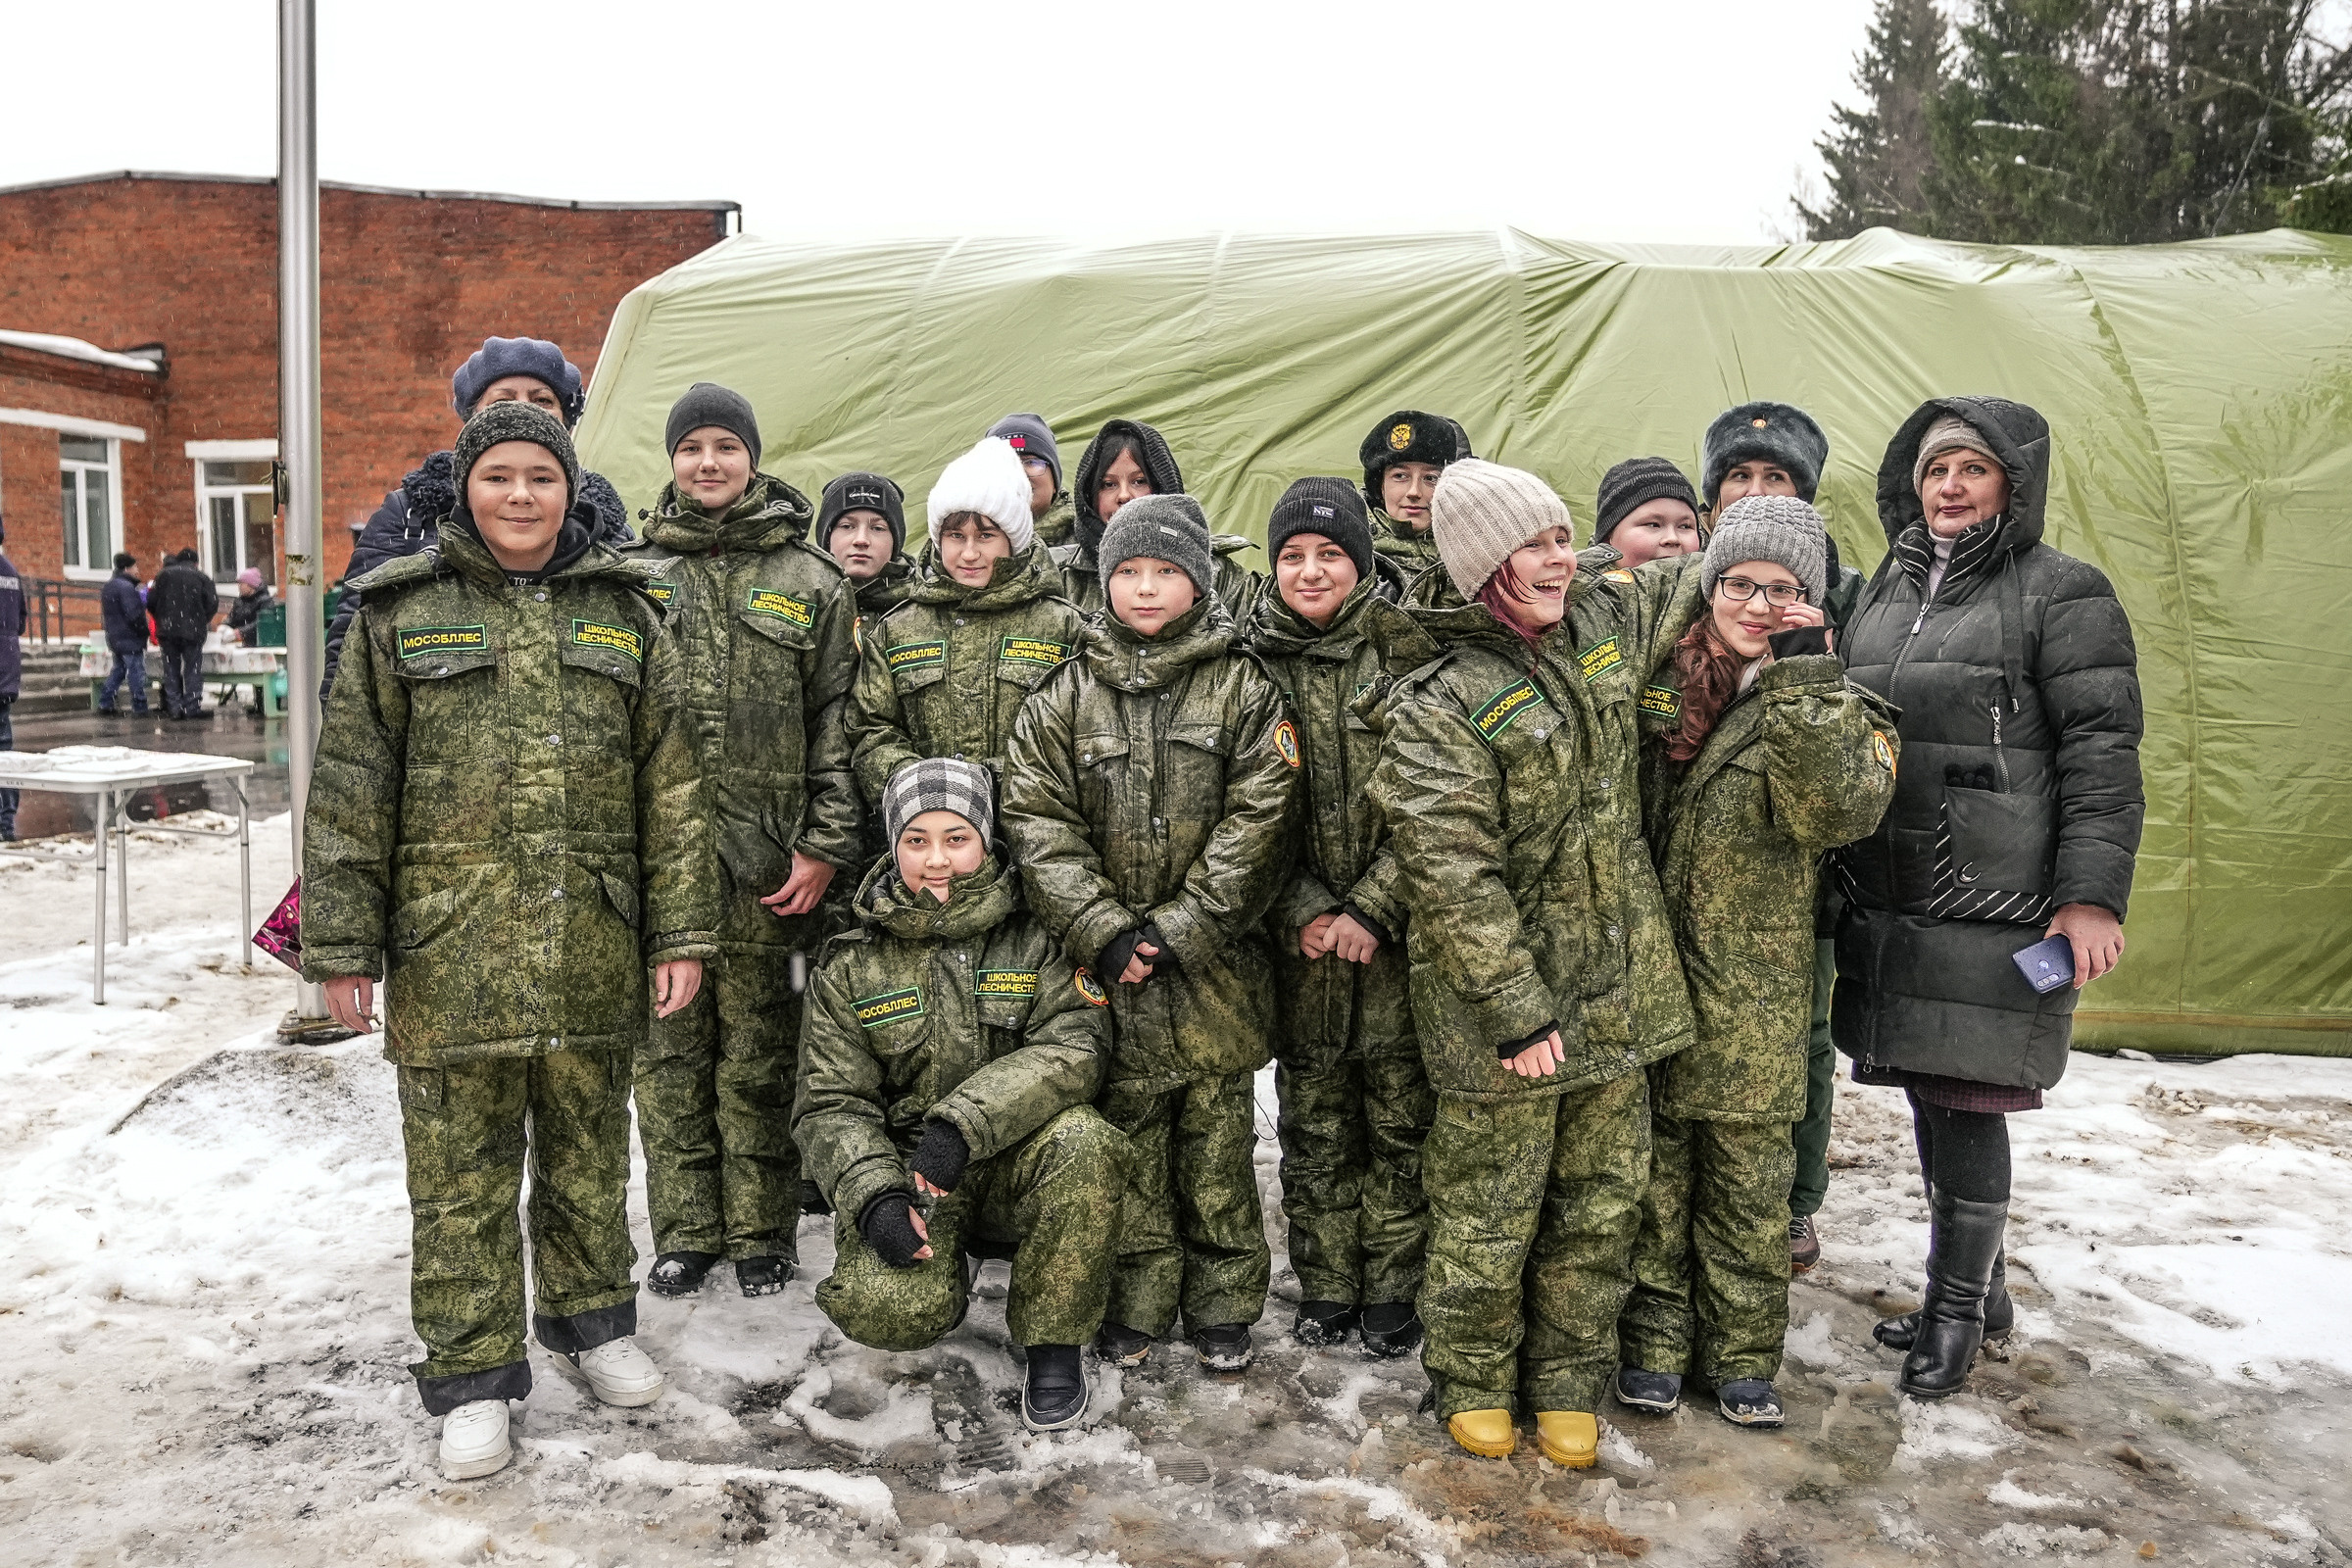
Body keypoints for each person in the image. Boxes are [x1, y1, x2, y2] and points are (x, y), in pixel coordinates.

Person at [301, 401, 717, 1481]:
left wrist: (680, 931)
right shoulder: (400, 612)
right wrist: (343, 945)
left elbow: (671, 789)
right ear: (466, 488)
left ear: (570, 488)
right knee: (459, 1181)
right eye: (499, 478)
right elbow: (350, 788)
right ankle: (474, 1375)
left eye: (542, 476)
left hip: (590, 937)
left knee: (587, 1153)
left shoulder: (627, 611)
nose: (521, 496)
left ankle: (592, 1322)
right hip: (452, 950)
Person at [1359, 460, 1692, 1467]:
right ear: (1479, 566)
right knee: (1488, 1211)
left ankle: (1564, 1379)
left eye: (1561, 538)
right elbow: (1455, 875)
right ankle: (1471, 1378)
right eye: (1533, 544)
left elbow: (1682, 571)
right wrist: (1516, 1010)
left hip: (1620, 991)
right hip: (1503, 1014)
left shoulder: (1600, 622)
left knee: (1600, 1205)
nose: (1557, 559)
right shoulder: (1434, 702)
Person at [1837, 397, 2143, 1399]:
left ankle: (1957, 1312)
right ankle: (1984, 1291)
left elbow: (2105, 758)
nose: (1951, 487)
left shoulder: (2064, 593)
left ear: (2014, 483)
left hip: (1997, 900)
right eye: (1935, 470)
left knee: (1969, 1100)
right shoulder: (1885, 587)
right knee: (1932, 1090)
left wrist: (2089, 897)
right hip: (1896, 888)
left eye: (1973, 468)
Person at [1612, 496, 1898, 1429]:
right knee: (1656, 1183)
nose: (1757, 604)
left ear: (1813, 601)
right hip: (1649, 973)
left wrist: (1806, 680)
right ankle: (1653, 1348)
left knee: (1745, 1188)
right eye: (1739, 583)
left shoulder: (1833, 703)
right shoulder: (1658, 677)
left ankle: (1740, 1357)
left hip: (1758, 994)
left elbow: (1833, 813)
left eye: (1783, 589)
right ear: (1710, 583)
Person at [1004, 494, 1298, 1374]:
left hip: (1212, 971)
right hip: (1105, 975)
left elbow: (1262, 818)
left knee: (1216, 1155)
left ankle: (1222, 1304)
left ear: (1198, 582)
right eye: (1128, 571)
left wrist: (1181, 927)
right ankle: (1136, 1302)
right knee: (1127, 1150)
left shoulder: (1244, 688)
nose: (1144, 588)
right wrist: (1100, 926)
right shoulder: (1063, 694)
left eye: (1166, 571)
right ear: (1103, 581)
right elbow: (1036, 817)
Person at [795, 759, 1131, 1431]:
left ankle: (1054, 1343)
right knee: (885, 1310)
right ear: (892, 848)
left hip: (1018, 1161)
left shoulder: (1038, 935)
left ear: (986, 841)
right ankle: (949, 1255)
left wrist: (961, 1128)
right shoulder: (851, 961)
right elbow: (832, 1101)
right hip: (916, 1178)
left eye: (957, 838)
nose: (938, 859)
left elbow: (1074, 1049)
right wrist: (875, 1197)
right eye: (917, 840)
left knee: (1086, 1143)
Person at [619, 382, 863, 1300]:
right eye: (692, 448)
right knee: (670, 1057)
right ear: (673, 461)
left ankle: (761, 1232)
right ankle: (686, 1231)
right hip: (663, 866)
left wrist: (824, 845)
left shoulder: (811, 583)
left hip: (774, 870)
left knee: (763, 1055)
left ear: (753, 457)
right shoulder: (633, 576)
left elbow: (840, 721)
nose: (709, 462)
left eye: (726, 445)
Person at [1246, 479, 1430, 1357]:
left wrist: (1375, 906)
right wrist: (1306, 910)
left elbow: (1436, 802)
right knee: (1313, 1121)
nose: (1310, 571)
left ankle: (1392, 1286)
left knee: (1398, 1117)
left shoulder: (1403, 656)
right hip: (1302, 945)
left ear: (1361, 562)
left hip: (1394, 941)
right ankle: (1326, 1282)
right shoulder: (1250, 665)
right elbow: (1240, 816)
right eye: (1291, 556)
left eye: (1329, 554)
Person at [1698, 399, 1853, 1274]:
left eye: (1776, 477)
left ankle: (1792, 1202)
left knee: (1801, 1045)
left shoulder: (1839, 596)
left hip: (1806, 880)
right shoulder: (1680, 600)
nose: (1754, 490)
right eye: (1738, 478)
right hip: (1695, 881)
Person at [321, 336, 632, 697]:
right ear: (470, 417)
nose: (523, 410)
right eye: (503, 399)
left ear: (566, 419)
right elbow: (353, 653)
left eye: (542, 400)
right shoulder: (410, 513)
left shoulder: (600, 523)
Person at [849, 437, 1082, 801]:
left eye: (986, 536)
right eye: (956, 536)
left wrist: (988, 784)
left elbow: (1077, 736)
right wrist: (930, 791)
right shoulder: (897, 630)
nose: (969, 553)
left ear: (1013, 540)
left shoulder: (1064, 627)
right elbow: (872, 729)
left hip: (1036, 827)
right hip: (925, 837)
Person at [1053, 419, 1257, 620]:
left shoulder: (1223, 578)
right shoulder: (1060, 576)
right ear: (1089, 495)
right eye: (1108, 484)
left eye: (1139, 481)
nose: (1124, 495)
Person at [1358, 409, 1473, 579]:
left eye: (1431, 478)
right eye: (1400, 476)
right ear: (1380, 487)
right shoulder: (1352, 551)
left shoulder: (1477, 549)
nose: (1414, 492)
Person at [815, 470, 918, 628]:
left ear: (895, 542)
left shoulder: (922, 602)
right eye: (847, 526)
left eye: (877, 528)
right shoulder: (801, 598)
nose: (861, 540)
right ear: (827, 537)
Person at [1591, 458, 1703, 568]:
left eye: (1685, 526)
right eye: (1653, 525)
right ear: (1608, 537)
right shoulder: (1577, 583)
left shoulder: (1717, 583)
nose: (1672, 538)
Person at [149, 547, 219, 720]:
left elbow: (150, 601)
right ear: (195, 563)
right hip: (192, 632)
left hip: (167, 630)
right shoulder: (202, 577)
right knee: (192, 669)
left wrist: (162, 617)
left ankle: (174, 707)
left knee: (170, 668)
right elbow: (212, 603)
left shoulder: (163, 576)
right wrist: (202, 619)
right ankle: (192, 707)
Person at [989, 413, 1075, 548]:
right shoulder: (965, 544)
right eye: (1005, 463)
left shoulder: (1091, 539)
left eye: (1031, 462)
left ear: (1054, 480)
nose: (1019, 475)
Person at [98, 552, 149, 715]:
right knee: (136, 673)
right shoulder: (127, 588)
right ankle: (139, 706)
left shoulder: (109, 586)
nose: (137, 570)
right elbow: (133, 614)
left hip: (115, 637)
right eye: (135, 567)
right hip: (130, 638)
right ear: (127, 568)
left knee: (119, 670)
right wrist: (144, 630)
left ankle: (105, 701)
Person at [0, 511, 22, 840]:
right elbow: (20, 622)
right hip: (4, 671)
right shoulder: (10, 572)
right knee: (3, 748)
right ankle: (5, 822)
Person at [227, 567, 274, 647]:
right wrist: (225, 626)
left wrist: (242, 631)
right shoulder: (240, 601)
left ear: (251, 585)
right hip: (247, 643)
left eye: (242, 583)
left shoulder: (265, 601)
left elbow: (263, 622)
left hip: (262, 643)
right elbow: (233, 618)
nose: (239, 586)